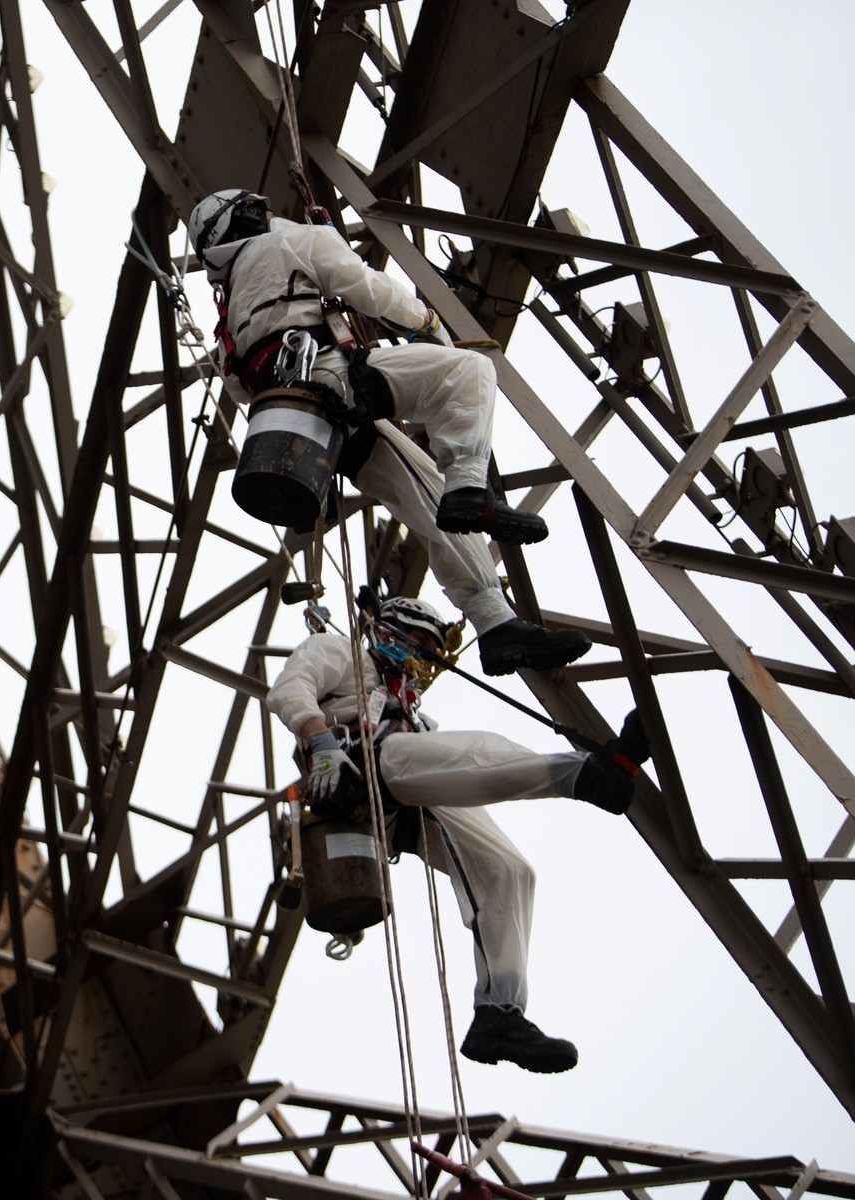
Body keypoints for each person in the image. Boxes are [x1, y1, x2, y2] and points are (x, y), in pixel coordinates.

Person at [189, 188, 588, 676]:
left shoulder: (229, 311)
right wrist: (426, 323)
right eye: (265, 209)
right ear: (250, 215)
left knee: (428, 497)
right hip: (337, 383)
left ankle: (495, 623)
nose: (274, 213)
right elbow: (368, 288)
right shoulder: (289, 243)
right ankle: (470, 487)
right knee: (469, 373)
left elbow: (237, 387)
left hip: (311, 430)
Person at [266, 593, 650, 1072]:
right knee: (476, 750)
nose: (423, 656)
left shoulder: (414, 710)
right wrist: (320, 741)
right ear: (390, 627)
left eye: (432, 648)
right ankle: (587, 774)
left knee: (510, 871)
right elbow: (288, 690)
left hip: (404, 794)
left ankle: (499, 1012)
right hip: (357, 774)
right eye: (421, 642)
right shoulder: (343, 653)